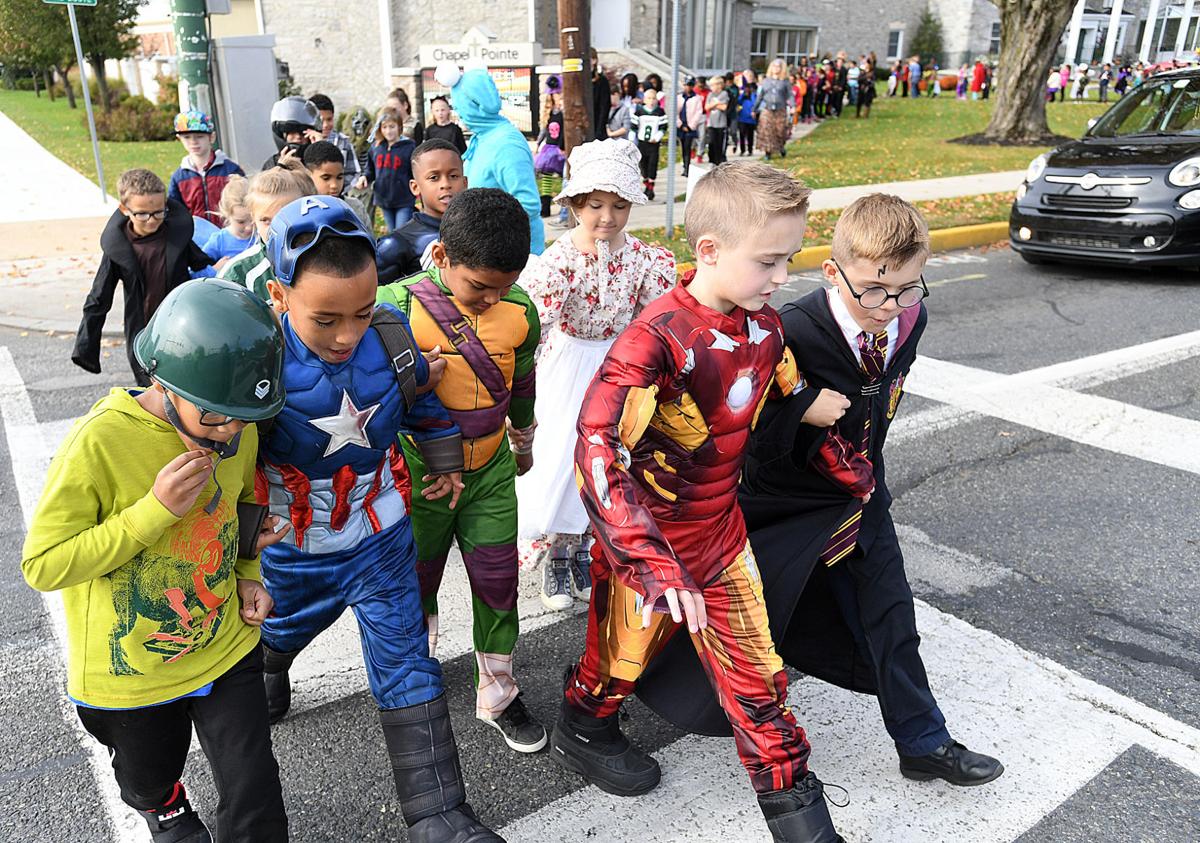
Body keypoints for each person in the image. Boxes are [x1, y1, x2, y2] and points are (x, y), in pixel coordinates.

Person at [645, 194, 1006, 796]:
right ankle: (610, 696)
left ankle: (924, 742)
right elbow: (742, 428)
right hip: (784, 506)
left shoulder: (909, 320)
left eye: (908, 289)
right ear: (835, 272)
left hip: (863, 499)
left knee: (892, 613)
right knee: (746, 620)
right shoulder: (787, 331)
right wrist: (800, 411)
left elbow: (882, 397)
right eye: (873, 291)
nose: (889, 308)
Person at [550, 162, 846, 843]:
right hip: (647, 550)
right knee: (614, 666)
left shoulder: (767, 329)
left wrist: (847, 472)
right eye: (767, 260)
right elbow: (597, 445)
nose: (780, 278)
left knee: (759, 682)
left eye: (788, 259)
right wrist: (648, 561)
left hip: (721, 538)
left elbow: (791, 398)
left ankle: (804, 822)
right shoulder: (652, 341)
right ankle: (584, 722)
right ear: (708, 250)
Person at [256, 195, 504, 842]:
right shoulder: (256, 365)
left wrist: (444, 458)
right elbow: (227, 452)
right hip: (292, 544)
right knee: (276, 633)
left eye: (362, 312)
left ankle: (441, 814)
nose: (347, 334)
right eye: (326, 318)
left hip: (380, 533)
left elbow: (419, 398)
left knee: (406, 659)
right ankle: (269, 666)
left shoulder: (390, 339)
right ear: (280, 294)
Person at [27, 279, 290, 842]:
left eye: (244, 416)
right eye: (217, 417)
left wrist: (247, 573)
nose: (233, 431)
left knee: (255, 790)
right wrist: (154, 512)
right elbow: (44, 563)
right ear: (164, 383)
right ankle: (164, 805)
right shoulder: (100, 441)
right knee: (151, 779)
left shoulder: (234, 424)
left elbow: (242, 501)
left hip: (223, 641)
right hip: (133, 672)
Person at [374, 187, 545, 756]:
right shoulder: (391, 307)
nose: (491, 299)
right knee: (414, 582)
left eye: (503, 286)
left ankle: (498, 692)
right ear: (442, 256)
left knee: (499, 582)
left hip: (491, 471)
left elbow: (521, 387)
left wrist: (523, 442)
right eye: (479, 287)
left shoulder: (521, 311)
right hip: (416, 476)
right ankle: (416, 677)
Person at [515, 138, 674, 611]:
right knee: (565, 458)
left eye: (619, 205)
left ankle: (586, 544)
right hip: (570, 365)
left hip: (619, 364)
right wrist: (522, 381)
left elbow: (655, 317)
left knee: (614, 456)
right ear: (576, 204)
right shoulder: (561, 260)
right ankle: (558, 554)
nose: (607, 216)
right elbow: (538, 323)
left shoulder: (644, 258)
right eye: (596, 205)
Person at [73, 169, 213, 387]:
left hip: (182, 328)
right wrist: (86, 347)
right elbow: (99, 298)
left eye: (159, 212)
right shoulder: (117, 248)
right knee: (152, 393)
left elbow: (203, 264)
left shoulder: (176, 234)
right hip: (142, 333)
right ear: (124, 209)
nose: (152, 220)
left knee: (187, 390)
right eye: (142, 214)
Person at [434, 61, 545, 254]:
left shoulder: (506, 144)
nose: (457, 113)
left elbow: (528, 205)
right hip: (489, 253)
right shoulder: (483, 138)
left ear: (475, 107)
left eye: (460, 106)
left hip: (514, 258)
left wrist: (487, 235)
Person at [376, 139, 468, 283]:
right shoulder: (397, 243)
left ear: (465, 183)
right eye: (434, 178)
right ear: (415, 187)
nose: (445, 184)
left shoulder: (478, 230)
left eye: (453, 176)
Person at [218, 165, 313, 300]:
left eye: (284, 217)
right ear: (253, 219)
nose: (276, 228)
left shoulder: (326, 258)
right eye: (266, 221)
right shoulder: (237, 275)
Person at [168, 110, 244, 226]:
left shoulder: (231, 170)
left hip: (228, 233)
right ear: (179, 138)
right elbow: (175, 211)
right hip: (195, 237)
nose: (193, 142)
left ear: (211, 137)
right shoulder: (179, 177)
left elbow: (244, 203)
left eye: (200, 136)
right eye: (187, 137)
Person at [357, 108, 417, 230]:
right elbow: (370, 170)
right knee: (392, 232)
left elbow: (415, 171)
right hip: (384, 198)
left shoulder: (409, 147)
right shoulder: (376, 148)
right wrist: (365, 178)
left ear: (399, 127)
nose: (388, 131)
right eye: (384, 127)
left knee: (401, 231)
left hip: (404, 198)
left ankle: (405, 249)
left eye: (392, 126)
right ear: (379, 128)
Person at [303, 140, 370, 226]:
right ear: (308, 175)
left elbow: (369, 238)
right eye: (326, 178)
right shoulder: (301, 212)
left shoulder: (355, 208)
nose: (334, 185)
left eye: (339, 177)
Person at [309, 92, 362, 190]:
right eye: (320, 120)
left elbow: (353, 172)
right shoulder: (306, 141)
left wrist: (339, 188)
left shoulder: (343, 141)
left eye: (329, 119)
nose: (325, 125)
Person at [201, 175, 256, 265]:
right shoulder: (220, 241)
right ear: (226, 214)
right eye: (240, 222)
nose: (249, 228)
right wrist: (215, 269)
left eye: (253, 219)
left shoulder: (261, 235)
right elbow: (195, 272)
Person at [534, 75, 566, 217]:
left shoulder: (565, 113)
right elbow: (544, 131)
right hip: (549, 148)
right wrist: (538, 143)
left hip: (561, 148)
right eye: (555, 95)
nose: (558, 97)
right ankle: (545, 205)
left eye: (559, 94)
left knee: (564, 176)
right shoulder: (549, 114)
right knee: (546, 175)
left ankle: (564, 207)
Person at [262, 96, 323, 170]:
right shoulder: (272, 165)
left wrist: (321, 152)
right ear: (283, 134)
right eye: (292, 132)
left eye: (304, 132)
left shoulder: (318, 162)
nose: (298, 137)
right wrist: (281, 167)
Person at [632, 90, 669, 199]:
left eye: (653, 98)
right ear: (644, 99)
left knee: (653, 164)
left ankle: (651, 188)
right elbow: (633, 127)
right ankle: (646, 182)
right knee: (643, 164)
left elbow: (663, 127)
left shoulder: (660, 112)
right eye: (649, 98)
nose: (651, 101)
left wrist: (657, 137)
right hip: (642, 142)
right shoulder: (639, 112)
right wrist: (631, 141)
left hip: (653, 143)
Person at [756, 59, 792, 160]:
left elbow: (790, 95)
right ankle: (768, 152)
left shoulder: (785, 82)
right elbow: (760, 96)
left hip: (780, 110)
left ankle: (781, 147)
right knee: (767, 130)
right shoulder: (766, 81)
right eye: (774, 66)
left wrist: (793, 107)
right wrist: (754, 109)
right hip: (767, 109)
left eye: (778, 67)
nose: (776, 69)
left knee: (779, 131)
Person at [677, 76, 700, 178]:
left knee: (687, 146)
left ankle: (687, 167)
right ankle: (684, 164)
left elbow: (698, 113)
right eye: (686, 85)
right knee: (682, 146)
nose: (688, 87)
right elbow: (675, 111)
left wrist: (690, 126)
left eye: (690, 85)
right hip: (681, 126)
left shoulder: (697, 98)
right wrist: (680, 124)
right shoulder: (679, 97)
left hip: (690, 127)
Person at [704, 75, 730, 166]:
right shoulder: (710, 95)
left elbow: (724, 107)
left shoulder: (724, 94)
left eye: (713, 85)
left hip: (721, 123)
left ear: (719, 85)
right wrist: (716, 104)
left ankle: (719, 162)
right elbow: (707, 107)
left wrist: (714, 104)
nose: (711, 87)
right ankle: (712, 161)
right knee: (712, 143)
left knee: (719, 144)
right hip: (711, 123)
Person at [684, 76, 709, 168]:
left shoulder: (707, 93)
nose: (701, 87)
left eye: (702, 86)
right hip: (692, 116)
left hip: (702, 115)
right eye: (699, 85)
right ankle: (692, 149)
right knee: (692, 135)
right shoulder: (693, 92)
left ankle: (700, 154)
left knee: (702, 136)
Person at [591, 49, 612, 142]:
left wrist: (599, 131)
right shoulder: (579, 80)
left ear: (594, 60)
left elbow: (604, 106)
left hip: (596, 125)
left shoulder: (602, 81)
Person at [735, 78, 758, 156]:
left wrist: (751, 95)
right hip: (742, 118)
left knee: (750, 136)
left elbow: (755, 103)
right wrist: (743, 95)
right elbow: (738, 102)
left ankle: (750, 150)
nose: (747, 90)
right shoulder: (743, 96)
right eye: (746, 89)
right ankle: (742, 150)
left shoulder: (754, 95)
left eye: (748, 89)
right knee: (741, 135)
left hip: (751, 119)